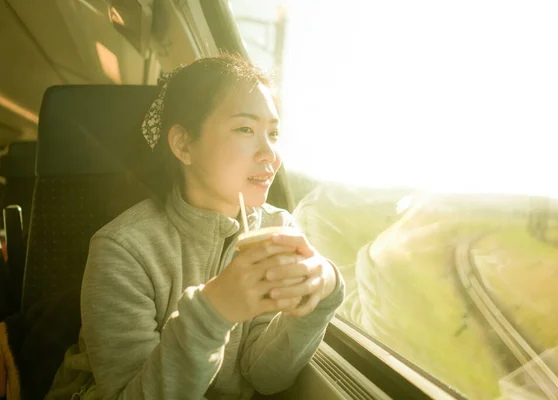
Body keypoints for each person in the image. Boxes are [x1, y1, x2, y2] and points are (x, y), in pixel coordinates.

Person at [46, 54, 345, 400]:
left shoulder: (278, 226)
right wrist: (214, 310)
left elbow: (264, 376)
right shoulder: (123, 247)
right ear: (184, 144)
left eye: (273, 133)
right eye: (245, 129)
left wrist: (325, 290)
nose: (270, 154)